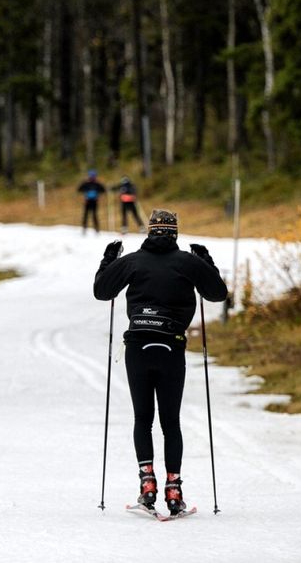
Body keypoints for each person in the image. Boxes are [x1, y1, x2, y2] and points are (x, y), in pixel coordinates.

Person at [92, 209, 228, 516]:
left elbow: (102, 291)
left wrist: (109, 260)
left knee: (143, 418)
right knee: (170, 422)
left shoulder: (133, 261)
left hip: (138, 347)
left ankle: (147, 485)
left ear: (150, 231)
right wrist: (206, 261)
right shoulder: (187, 262)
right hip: (171, 347)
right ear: (175, 232)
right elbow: (217, 294)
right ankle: (174, 491)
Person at [77, 170, 106, 235]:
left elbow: (103, 190)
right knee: (87, 215)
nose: (92, 177)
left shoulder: (96, 184)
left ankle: (96, 229)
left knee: (93, 215)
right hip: (88, 201)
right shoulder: (88, 183)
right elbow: (79, 189)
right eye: (91, 176)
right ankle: (85, 228)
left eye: (93, 176)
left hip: (94, 201)